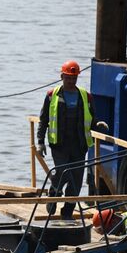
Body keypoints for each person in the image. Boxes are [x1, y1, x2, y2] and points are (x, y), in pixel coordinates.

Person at [36, 60, 96, 219]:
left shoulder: (85, 96)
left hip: (79, 144)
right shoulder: (52, 95)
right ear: (62, 76)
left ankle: (67, 212)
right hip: (59, 144)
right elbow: (44, 120)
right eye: (68, 78)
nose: (71, 81)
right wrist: (40, 142)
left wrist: (99, 125)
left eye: (74, 78)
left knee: (76, 179)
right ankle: (53, 195)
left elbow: (92, 119)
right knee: (63, 172)